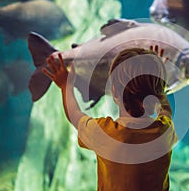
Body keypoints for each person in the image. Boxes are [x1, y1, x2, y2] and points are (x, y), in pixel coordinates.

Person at [42, 46, 178, 191]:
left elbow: (74, 114)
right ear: (157, 95)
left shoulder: (106, 134)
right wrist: (156, 80)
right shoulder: (163, 132)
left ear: (114, 92)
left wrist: (66, 85)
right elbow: (165, 110)